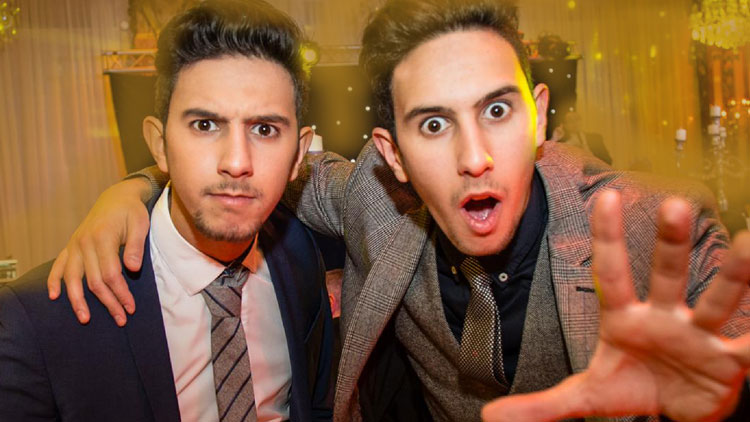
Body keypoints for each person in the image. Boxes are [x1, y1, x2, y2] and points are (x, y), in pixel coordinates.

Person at [47, 0, 750, 421]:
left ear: (539, 117)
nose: (474, 156)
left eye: (497, 111)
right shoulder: (373, 199)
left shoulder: (655, 229)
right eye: (434, 124)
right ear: (394, 154)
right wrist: (133, 189)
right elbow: (249, 169)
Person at [0, 1, 333, 421]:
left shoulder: (299, 257)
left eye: (264, 129)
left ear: (299, 153)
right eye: (205, 125)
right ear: (159, 145)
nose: (236, 161)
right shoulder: (36, 321)